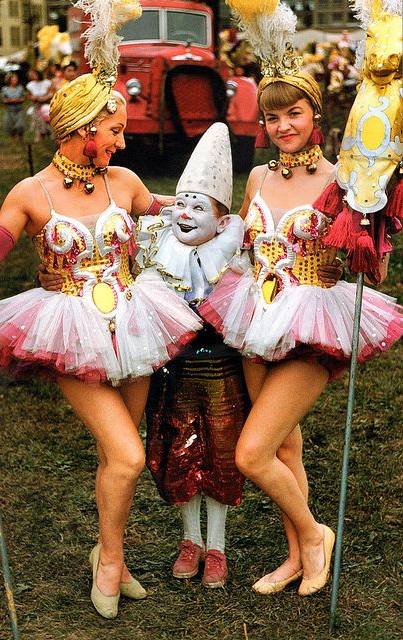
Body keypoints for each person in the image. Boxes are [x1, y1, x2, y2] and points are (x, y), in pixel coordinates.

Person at [0, 0, 202, 621]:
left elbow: (175, 212)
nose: (121, 142)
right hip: (68, 328)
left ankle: (114, 557)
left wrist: (219, 214)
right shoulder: (30, 192)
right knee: (126, 456)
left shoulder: (122, 180)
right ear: (81, 129)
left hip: (135, 323)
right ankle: (107, 563)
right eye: (114, 131)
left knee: (113, 459)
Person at [200, 1, 402, 597]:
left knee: (252, 452)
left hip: (313, 316)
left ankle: (314, 535)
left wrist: (374, 228)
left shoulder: (345, 180)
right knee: (285, 444)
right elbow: (243, 241)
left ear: (316, 112)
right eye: (272, 117)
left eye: (294, 113)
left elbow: (377, 265)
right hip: (254, 312)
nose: (283, 125)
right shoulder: (260, 178)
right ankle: (296, 556)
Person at [137, 123, 248, 589]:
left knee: (221, 452)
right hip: (174, 371)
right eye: (181, 202)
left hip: (220, 370)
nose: (184, 213)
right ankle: (190, 539)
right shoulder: (158, 252)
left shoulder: (233, 257)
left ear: (221, 222)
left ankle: (217, 545)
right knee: (178, 448)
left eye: (198, 206)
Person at [26, 67, 52, 142]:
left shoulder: (47, 82)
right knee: (38, 122)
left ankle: (48, 136)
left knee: (47, 122)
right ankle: (39, 137)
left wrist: (45, 98)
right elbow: (29, 95)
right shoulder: (30, 85)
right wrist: (36, 98)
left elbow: (50, 92)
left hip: (46, 105)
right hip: (37, 106)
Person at [1, 72, 25, 141]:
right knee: (10, 125)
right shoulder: (5, 89)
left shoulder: (20, 88)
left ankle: (20, 137)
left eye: (16, 79)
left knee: (20, 124)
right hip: (9, 109)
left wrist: (17, 100)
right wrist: (10, 100)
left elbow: (23, 98)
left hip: (19, 109)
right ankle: (13, 139)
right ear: (9, 80)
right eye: (13, 79)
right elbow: (3, 99)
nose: (15, 80)